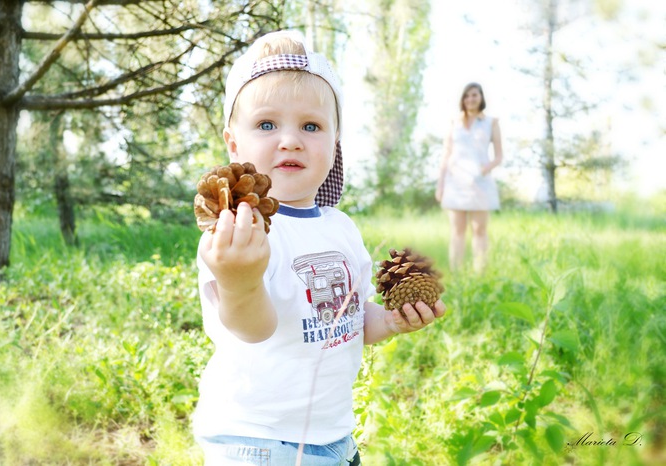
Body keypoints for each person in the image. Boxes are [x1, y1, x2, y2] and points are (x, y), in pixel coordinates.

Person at [193, 30, 447, 465]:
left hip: (333, 436)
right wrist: (240, 284)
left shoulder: (341, 228)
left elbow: (348, 319)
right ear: (234, 143)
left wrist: (390, 321)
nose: (290, 140)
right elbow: (253, 328)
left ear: (335, 145)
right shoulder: (239, 230)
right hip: (258, 438)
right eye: (267, 124)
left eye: (311, 126)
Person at [435, 82, 503, 272]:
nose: (470, 99)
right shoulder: (454, 122)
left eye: (474, 95)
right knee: (457, 231)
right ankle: (456, 273)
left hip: (480, 182)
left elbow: (499, 156)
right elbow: (446, 155)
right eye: (467, 96)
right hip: (455, 182)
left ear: (481, 97)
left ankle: (479, 273)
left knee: (479, 230)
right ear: (462, 99)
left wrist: (486, 168)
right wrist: (440, 184)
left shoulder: (491, 122)